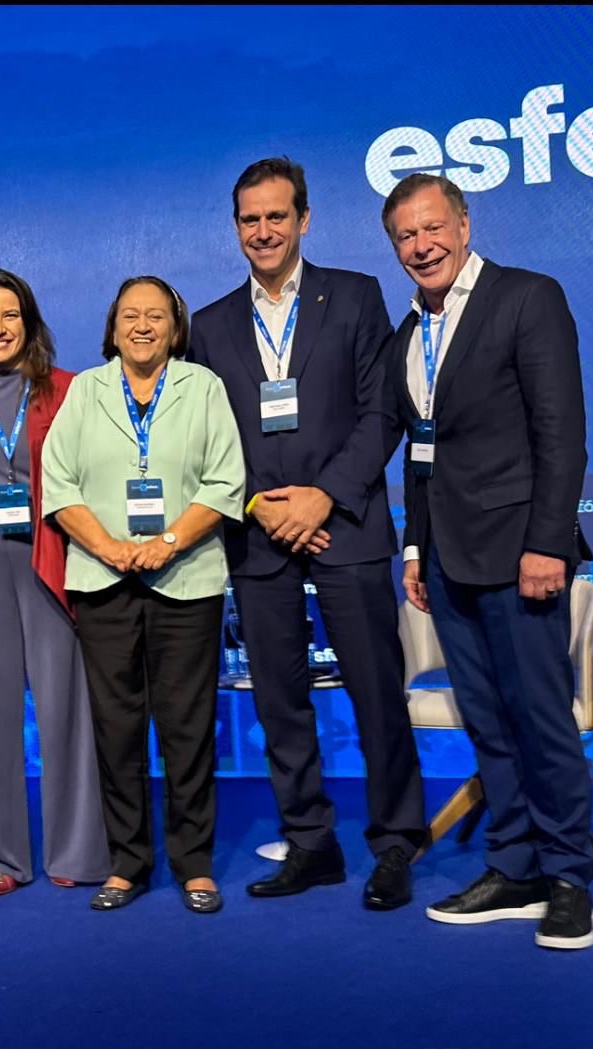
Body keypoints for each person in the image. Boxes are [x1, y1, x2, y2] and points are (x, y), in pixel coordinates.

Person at [190, 157, 427, 910]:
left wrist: (323, 498)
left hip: (345, 529)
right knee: (280, 703)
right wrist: (262, 507)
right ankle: (311, 844)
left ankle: (395, 844)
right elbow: (207, 440)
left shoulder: (355, 297)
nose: (264, 230)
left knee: (376, 694)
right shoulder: (209, 324)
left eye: (276, 216)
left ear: (304, 219)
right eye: (250, 219)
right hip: (259, 539)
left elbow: (382, 411)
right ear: (236, 229)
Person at [382, 172, 593, 949]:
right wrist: (415, 546)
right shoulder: (409, 334)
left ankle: (570, 875)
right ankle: (515, 865)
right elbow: (420, 451)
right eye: (405, 236)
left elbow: (561, 433)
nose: (421, 245)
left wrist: (547, 541)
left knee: (541, 720)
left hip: (521, 555)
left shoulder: (527, 297)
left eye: (433, 228)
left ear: (464, 227)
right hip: (446, 562)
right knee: (489, 725)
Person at [42, 276, 244, 913]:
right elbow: (58, 482)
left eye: (156, 315)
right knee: (117, 729)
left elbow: (225, 479)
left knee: (187, 730)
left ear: (174, 327)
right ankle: (127, 862)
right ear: (113, 325)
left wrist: (170, 541)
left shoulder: (203, 387)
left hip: (186, 580)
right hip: (104, 581)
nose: (142, 325)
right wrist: (106, 546)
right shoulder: (84, 390)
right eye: (130, 315)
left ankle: (195, 864)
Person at [0, 268, 109, 897]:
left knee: (66, 705)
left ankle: (78, 851)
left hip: (50, 552)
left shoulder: (65, 389)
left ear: (30, 322)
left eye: (9, 315)